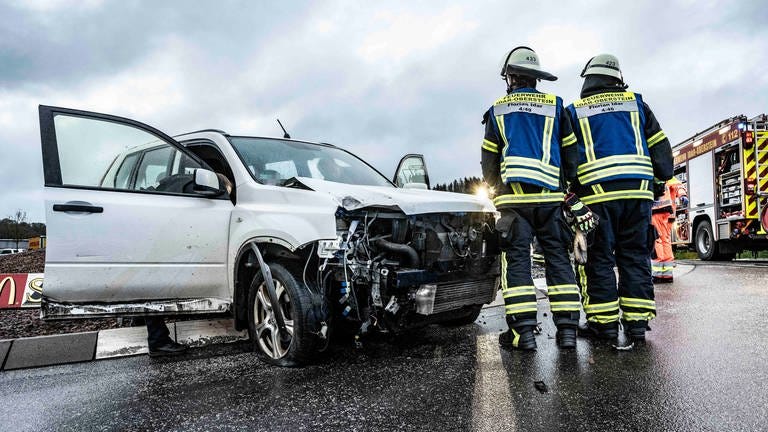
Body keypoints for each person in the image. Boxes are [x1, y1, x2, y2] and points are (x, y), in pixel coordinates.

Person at [482, 46, 594, 350]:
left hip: (513, 203)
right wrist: (569, 188)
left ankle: (524, 335)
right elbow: (571, 153)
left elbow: (489, 161)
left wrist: (495, 192)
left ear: (511, 77)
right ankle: (568, 332)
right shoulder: (556, 107)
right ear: (535, 78)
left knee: (516, 263)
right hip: (551, 201)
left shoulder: (499, 109)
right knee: (559, 260)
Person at [564, 54, 674, 343]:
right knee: (636, 256)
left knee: (598, 260)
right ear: (617, 79)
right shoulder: (637, 105)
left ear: (589, 80)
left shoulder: (574, 111)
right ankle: (637, 326)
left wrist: (569, 193)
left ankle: (605, 326)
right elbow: (662, 151)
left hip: (596, 199)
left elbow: (567, 158)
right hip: (638, 196)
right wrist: (659, 179)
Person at [651, 177, 687, 282]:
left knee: (657, 240)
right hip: (668, 213)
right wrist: (683, 195)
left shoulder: (652, 172)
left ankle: (657, 274)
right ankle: (667, 274)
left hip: (655, 210)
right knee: (665, 240)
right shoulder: (667, 174)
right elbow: (678, 186)